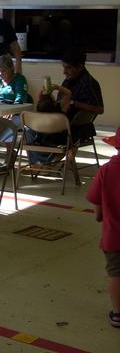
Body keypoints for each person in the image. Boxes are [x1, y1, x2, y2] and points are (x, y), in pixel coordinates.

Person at [86, 127, 120, 328]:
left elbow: (97, 209)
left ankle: (117, 314)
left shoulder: (105, 171)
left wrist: (100, 216)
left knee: (115, 273)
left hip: (113, 237)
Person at [57, 49, 104, 143]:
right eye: (64, 67)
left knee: (32, 132)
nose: (64, 72)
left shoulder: (88, 83)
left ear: (79, 67)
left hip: (75, 129)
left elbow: (99, 109)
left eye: (68, 68)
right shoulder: (69, 80)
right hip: (62, 121)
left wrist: (73, 103)